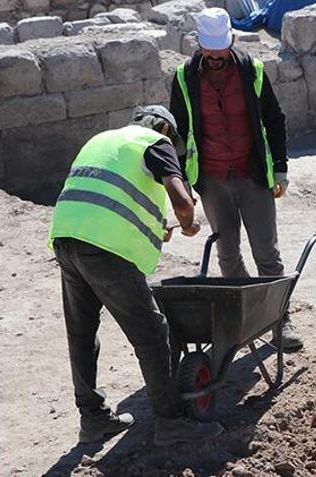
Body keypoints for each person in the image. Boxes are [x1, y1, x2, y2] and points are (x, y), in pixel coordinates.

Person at [48, 106, 223, 446]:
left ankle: (92, 419)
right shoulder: (155, 142)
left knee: (81, 332)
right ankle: (170, 422)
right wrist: (188, 222)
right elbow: (182, 202)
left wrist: (158, 227)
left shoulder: (104, 141)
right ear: (163, 128)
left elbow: (109, 200)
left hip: (65, 237)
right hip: (102, 247)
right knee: (153, 333)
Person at [169, 7, 302, 351]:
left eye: (221, 51)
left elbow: (274, 119)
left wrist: (281, 167)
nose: (216, 58)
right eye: (209, 52)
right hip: (212, 179)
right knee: (227, 253)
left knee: (267, 253)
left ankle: (280, 320)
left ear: (230, 42)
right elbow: (178, 135)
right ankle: (244, 318)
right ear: (199, 45)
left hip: (252, 173)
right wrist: (182, 183)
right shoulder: (184, 78)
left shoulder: (251, 71)